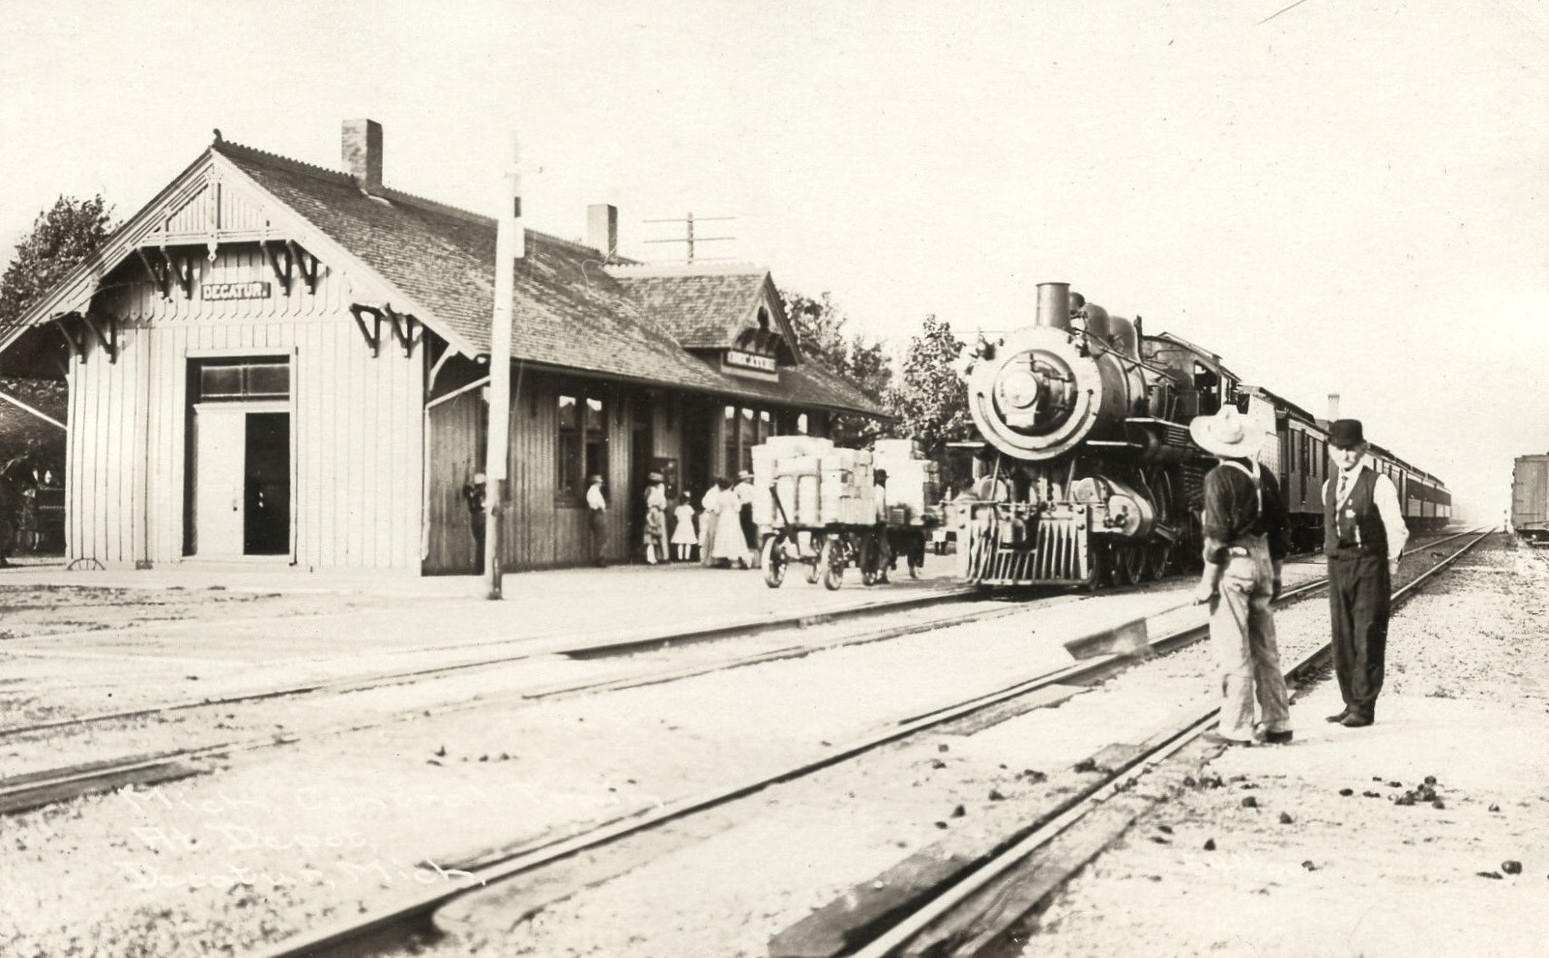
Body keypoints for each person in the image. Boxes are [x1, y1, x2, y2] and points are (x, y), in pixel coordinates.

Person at [1190, 405, 1293, 746]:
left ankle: (1236, 728)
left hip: (1234, 567)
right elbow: (1281, 532)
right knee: (1266, 648)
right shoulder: (1263, 475)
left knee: (1233, 649)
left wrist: (1207, 582)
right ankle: (1278, 723)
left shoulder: (1218, 478)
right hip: (1263, 563)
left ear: (1215, 446)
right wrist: (1275, 576)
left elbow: (1217, 536)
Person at [1322, 418, 1408, 728]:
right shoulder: (1328, 486)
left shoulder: (1379, 483)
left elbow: (1397, 530)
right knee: (1342, 635)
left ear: (1363, 449)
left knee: (1368, 633)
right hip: (1338, 567)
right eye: (1338, 449)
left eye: (1351, 449)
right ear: (1330, 450)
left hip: (1369, 567)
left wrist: (1388, 566)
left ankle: (1365, 706)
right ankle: (1350, 701)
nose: (1345, 455)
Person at [711, 476, 749, 568]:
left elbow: (717, 510)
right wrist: (740, 502)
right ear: (730, 485)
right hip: (732, 517)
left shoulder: (719, 496)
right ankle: (741, 559)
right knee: (735, 537)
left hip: (723, 518)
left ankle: (725, 560)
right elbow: (737, 508)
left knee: (723, 537)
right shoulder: (733, 495)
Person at [462, 471, 488, 575]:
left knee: (480, 544)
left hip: (474, 519)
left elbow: (465, 491)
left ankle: (479, 569)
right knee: (483, 544)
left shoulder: (471, 492)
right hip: (481, 518)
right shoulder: (481, 493)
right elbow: (483, 505)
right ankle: (480, 569)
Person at [642, 472, 668, 565]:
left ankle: (661, 556)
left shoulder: (658, 488)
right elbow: (661, 503)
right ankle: (660, 556)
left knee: (658, 533)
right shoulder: (653, 489)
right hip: (656, 511)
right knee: (657, 533)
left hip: (656, 510)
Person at [735, 470, 759, 568]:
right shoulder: (751, 488)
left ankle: (746, 558)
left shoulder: (737, 488)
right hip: (749, 509)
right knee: (751, 533)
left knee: (744, 533)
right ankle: (754, 561)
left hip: (742, 510)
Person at [585, 474, 608, 567]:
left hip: (594, 513)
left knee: (599, 537)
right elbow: (598, 503)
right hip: (597, 513)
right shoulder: (594, 491)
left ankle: (599, 558)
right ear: (596, 483)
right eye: (599, 482)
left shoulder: (593, 491)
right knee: (601, 536)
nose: (601, 484)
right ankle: (600, 559)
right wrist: (602, 508)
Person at [700, 480, 722, 567]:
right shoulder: (713, 492)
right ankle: (711, 559)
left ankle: (714, 559)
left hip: (718, 515)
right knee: (712, 536)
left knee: (714, 536)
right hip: (714, 515)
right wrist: (713, 509)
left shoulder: (717, 491)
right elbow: (706, 503)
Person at [671, 491, 698, 562]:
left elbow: (675, 517)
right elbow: (692, 517)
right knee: (688, 542)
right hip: (688, 525)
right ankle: (687, 557)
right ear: (687, 501)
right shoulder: (689, 508)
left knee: (680, 542)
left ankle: (680, 558)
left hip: (680, 525)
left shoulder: (678, 508)